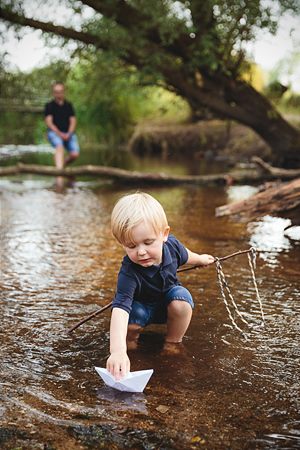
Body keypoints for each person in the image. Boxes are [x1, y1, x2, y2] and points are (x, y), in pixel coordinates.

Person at [106, 192, 215, 380]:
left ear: (164, 234)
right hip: (141, 311)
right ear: (122, 243)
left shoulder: (172, 247)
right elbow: (121, 309)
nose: (141, 252)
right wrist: (117, 351)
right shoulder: (129, 272)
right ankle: (131, 348)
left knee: (182, 299)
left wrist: (201, 259)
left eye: (148, 243)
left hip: (167, 304)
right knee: (132, 319)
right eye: (131, 246)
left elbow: (187, 255)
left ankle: (172, 344)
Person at [44, 82, 80, 169]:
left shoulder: (69, 105)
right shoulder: (49, 106)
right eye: (56, 92)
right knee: (59, 146)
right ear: (53, 93)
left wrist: (69, 134)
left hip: (68, 134)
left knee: (75, 154)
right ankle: (59, 174)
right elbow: (49, 123)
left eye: (60, 91)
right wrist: (60, 134)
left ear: (64, 92)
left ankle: (61, 166)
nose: (58, 94)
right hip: (54, 133)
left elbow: (73, 121)